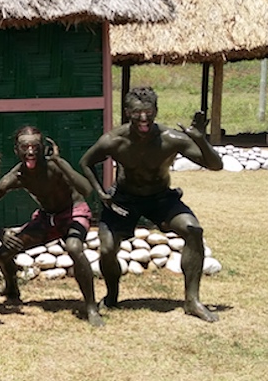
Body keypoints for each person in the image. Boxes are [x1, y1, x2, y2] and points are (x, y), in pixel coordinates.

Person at [79, 86, 223, 322]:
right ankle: (112, 295)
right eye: (137, 112)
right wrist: (101, 194)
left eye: (148, 112)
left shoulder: (171, 139)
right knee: (106, 248)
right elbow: (86, 162)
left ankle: (192, 300)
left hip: (161, 199)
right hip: (125, 199)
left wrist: (199, 139)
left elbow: (215, 165)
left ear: (156, 111)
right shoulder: (114, 140)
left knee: (193, 230)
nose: (143, 118)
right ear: (127, 112)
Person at [0, 126, 104, 327]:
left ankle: (91, 307)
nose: (30, 151)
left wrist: (61, 163)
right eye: (24, 146)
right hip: (46, 218)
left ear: (43, 147)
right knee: (3, 254)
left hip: (73, 212)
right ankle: (11, 289)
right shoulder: (17, 176)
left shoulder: (55, 166)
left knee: (74, 247)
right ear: (16, 150)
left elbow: (86, 190)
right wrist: (0, 233)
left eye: (35, 146)